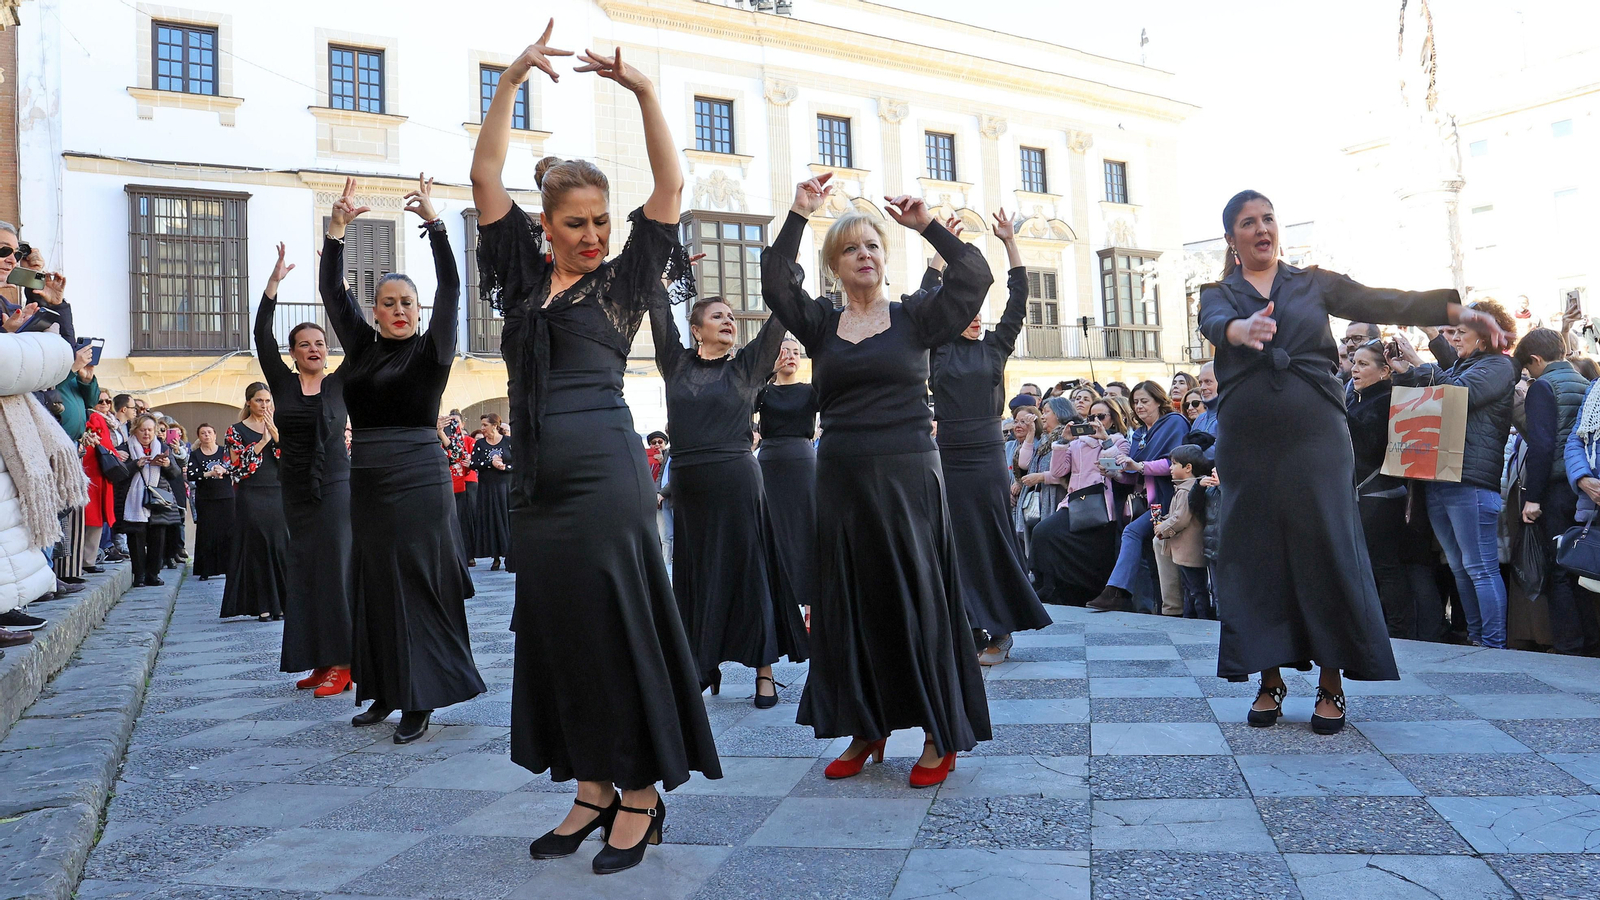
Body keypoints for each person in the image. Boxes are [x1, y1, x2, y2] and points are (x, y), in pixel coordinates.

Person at [472, 26, 719, 875]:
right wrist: (508, 82)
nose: (592, 234)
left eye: (601, 221)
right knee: (558, 631)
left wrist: (645, 92)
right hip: (536, 485)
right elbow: (482, 177)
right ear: (545, 226)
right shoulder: (515, 275)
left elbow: (671, 184)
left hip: (607, 473)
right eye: (575, 223)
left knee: (618, 628)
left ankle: (642, 793)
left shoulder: (623, 281)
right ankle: (590, 787)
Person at [1198, 189, 1504, 734]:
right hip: (1248, 440)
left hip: (1316, 436)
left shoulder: (1312, 282)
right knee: (1257, 553)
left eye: (1269, 217)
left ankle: (1331, 685)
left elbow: (1383, 301)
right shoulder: (1217, 292)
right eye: (1249, 222)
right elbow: (1214, 320)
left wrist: (1456, 311)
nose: (1263, 227)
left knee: (1327, 548)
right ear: (1232, 239)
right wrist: (1239, 331)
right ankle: (1269, 680)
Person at [763, 170, 993, 789]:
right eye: (851, 248)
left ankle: (938, 732)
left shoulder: (916, 316)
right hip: (840, 480)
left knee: (916, 600)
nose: (864, 254)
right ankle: (868, 729)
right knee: (854, 606)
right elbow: (775, 282)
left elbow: (974, 278)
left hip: (908, 477)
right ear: (834, 265)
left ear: (884, 259)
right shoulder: (818, 325)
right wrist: (797, 212)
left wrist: (927, 226)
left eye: (873, 245)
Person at [321, 174, 484, 744]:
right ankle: (386, 689)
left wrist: (437, 225)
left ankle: (421, 696)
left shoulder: (432, 348)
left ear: (418, 309)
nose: (397, 310)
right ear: (374, 309)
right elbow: (332, 295)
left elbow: (454, 288)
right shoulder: (362, 349)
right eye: (387, 302)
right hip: (366, 479)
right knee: (374, 583)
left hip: (418, 477)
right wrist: (336, 232)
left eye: (406, 302)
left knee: (416, 583)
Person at [651, 292, 807, 705]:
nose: (728, 320)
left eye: (732, 317)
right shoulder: (676, 363)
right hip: (690, 483)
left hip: (737, 479)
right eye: (717, 316)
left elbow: (779, 319)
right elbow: (657, 311)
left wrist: (785, 275)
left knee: (749, 569)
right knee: (696, 573)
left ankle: (764, 674)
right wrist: (666, 280)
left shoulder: (746, 367)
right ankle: (702, 664)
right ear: (696, 329)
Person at [920, 210, 1050, 665]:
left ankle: (1001, 629)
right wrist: (938, 256)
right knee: (953, 544)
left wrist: (1010, 242)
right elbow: (925, 298)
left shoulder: (996, 345)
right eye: (967, 312)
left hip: (987, 459)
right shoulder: (937, 348)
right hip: (947, 460)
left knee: (991, 541)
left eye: (979, 313)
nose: (976, 318)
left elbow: (1020, 297)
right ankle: (967, 626)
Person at [256, 243, 356, 696]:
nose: (314, 349)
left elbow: (358, 337)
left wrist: (342, 287)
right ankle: (318, 658)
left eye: (319, 343)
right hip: (294, 490)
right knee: (306, 571)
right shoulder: (282, 382)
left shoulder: (340, 383)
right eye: (305, 345)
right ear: (292, 353)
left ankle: (344, 663)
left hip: (336, 488)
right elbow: (260, 333)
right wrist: (274, 283)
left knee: (335, 571)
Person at [1390, 301, 1517, 649]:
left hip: (1471, 481)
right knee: (1460, 568)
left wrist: (1419, 361)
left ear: (1486, 336)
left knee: (1479, 568)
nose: (1455, 337)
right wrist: (1405, 368)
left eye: (1462, 332)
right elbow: (1446, 375)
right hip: (1441, 479)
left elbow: (1458, 395)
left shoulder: (1500, 366)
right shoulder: (1470, 363)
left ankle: (1492, 644)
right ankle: (1476, 637)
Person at [1516, 328, 1598, 655]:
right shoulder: (1584, 383)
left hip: (1554, 490)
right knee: (1581, 567)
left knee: (1560, 569)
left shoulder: (1543, 387)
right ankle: (1590, 640)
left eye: (1528, 367)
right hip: (1581, 488)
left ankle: (1569, 645)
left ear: (1536, 360)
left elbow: (1542, 446)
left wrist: (1532, 498)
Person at [1088, 381, 1189, 613]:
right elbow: (1132, 476)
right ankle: (1142, 605)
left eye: (1145, 401)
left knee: (1132, 533)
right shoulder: (1140, 433)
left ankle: (1117, 592)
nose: (1139, 406)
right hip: (1147, 502)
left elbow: (1174, 463)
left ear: (1159, 401)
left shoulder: (1173, 422)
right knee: (1141, 548)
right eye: (1136, 402)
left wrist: (1139, 465)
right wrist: (1113, 472)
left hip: (1170, 500)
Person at [1030, 398, 1131, 605]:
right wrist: (1063, 442)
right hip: (1074, 502)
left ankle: (1088, 593)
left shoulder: (1119, 441)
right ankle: (1047, 585)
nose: (1095, 422)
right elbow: (1059, 472)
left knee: (1095, 557)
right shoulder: (1076, 443)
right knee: (1043, 532)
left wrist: (1105, 441)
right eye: (1091, 417)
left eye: (1101, 417)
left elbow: (1119, 471)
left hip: (1101, 506)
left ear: (1112, 420)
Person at [1345, 341, 1414, 639]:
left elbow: (1371, 447)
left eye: (1362, 364)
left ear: (1385, 371)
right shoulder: (1357, 400)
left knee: (1385, 567)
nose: (1354, 369)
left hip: (1381, 497)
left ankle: (1398, 631)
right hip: (1364, 495)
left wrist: (1337, 411)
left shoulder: (1387, 399)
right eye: (1353, 362)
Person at [756, 339, 818, 633]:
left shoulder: (809, 391)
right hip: (769, 463)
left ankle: (812, 607)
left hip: (803, 462)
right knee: (772, 531)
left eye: (795, 352)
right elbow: (745, 399)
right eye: (784, 351)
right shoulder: (764, 391)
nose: (790, 356)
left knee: (808, 529)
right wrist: (767, 372)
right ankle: (774, 606)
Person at [220, 383, 289, 621]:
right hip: (251, 493)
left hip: (278, 491)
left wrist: (276, 435)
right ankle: (263, 605)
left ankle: (282, 603)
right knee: (258, 547)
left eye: (268, 401)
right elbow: (237, 468)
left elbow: (292, 459)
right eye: (259, 400)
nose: (264, 405)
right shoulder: (235, 430)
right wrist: (261, 442)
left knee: (280, 546)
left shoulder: (280, 425)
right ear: (249, 402)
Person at [112, 414, 183, 587]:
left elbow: (175, 474)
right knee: (136, 538)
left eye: (150, 430)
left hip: (158, 500)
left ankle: (153, 574)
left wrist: (166, 465)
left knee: (158, 539)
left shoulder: (162, 447)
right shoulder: (124, 449)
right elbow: (116, 475)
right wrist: (135, 464)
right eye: (143, 430)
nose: (146, 434)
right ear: (135, 431)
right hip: (132, 501)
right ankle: (140, 575)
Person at [1153, 444, 1213, 619]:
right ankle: (1189, 618)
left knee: (1195, 589)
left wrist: (1162, 528)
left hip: (1190, 551)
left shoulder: (1187, 490)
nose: (1170, 468)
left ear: (1188, 468)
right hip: (1186, 551)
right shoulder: (1184, 488)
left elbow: (1181, 518)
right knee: (1189, 588)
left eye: (1174, 464)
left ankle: (1201, 620)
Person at [185, 424, 234, 581]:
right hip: (206, 498)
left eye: (209, 432)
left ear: (215, 435)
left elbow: (235, 467)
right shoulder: (195, 455)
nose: (206, 435)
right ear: (199, 437)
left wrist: (224, 471)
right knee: (206, 532)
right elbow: (191, 475)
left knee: (228, 532)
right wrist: (208, 473)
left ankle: (228, 567)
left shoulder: (224, 452)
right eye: (203, 433)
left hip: (226, 497)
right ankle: (205, 569)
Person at [471, 412, 513, 570]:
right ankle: (495, 556)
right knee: (491, 521)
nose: (482, 428)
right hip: (487, 488)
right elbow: (474, 463)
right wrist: (490, 463)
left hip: (505, 487)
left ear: (495, 426)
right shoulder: (480, 444)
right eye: (482, 425)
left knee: (507, 520)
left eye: (485, 425)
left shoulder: (509, 441)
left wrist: (505, 467)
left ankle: (510, 555)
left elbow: (519, 462)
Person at [445, 412, 479, 567]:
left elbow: (458, 455)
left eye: (456, 421)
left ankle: (468, 554)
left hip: (463, 483)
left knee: (464, 519)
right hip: (445, 484)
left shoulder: (465, 440)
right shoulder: (435, 436)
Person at [1191, 362, 1219, 437]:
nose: (1202, 387)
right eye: (1200, 383)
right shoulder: (1199, 420)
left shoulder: (1230, 417)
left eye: (1208, 382)